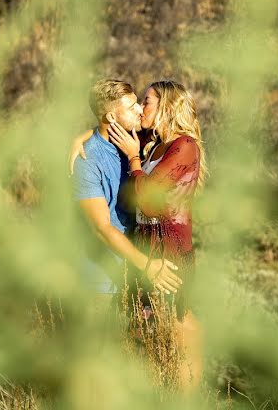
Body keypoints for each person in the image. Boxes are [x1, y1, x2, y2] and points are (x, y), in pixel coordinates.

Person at [72, 80, 206, 391]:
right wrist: (79, 139)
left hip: (169, 250)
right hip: (145, 249)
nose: (140, 109)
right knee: (147, 331)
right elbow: (104, 127)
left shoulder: (182, 146)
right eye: (137, 104)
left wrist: (134, 159)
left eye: (145, 102)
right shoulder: (152, 140)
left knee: (180, 327)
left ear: (166, 109)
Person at [73, 79, 183, 311]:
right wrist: (148, 266)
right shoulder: (89, 160)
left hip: (131, 276)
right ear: (112, 117)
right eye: (132, 107)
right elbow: (101, 228)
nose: (140, 109)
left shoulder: (132, 143)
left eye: (139, 103)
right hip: (100, 283)